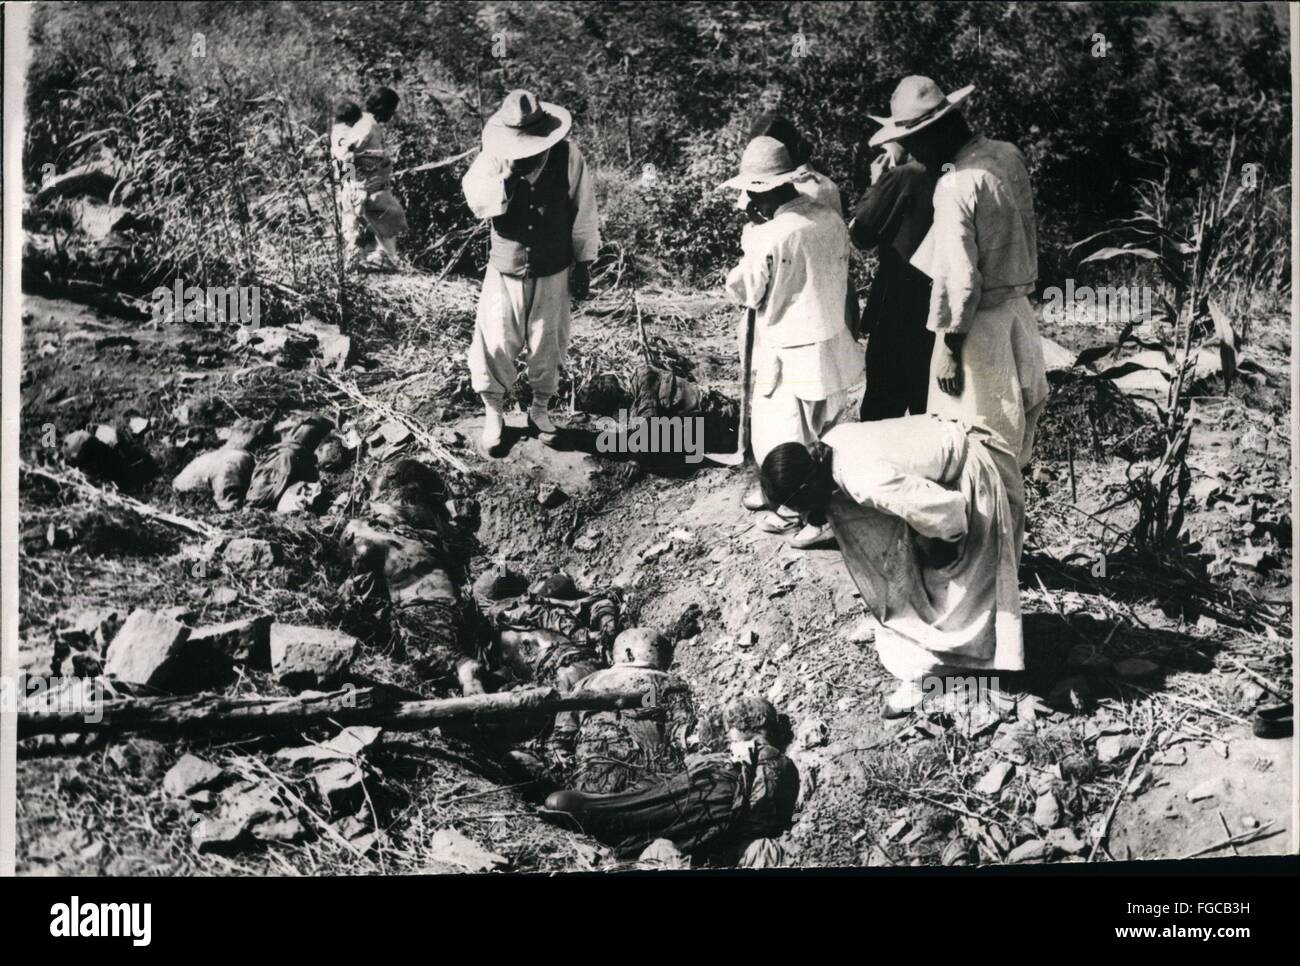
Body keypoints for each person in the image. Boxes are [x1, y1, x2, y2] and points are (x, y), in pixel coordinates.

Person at [870, 76, 1047, 553]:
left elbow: (960, 279)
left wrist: (948, 347)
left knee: (977, 448)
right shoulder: (1005, 155)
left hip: (980, 329)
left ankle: (989, 557)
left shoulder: (954, 185)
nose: (911, 154)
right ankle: (1005, 550)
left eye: (910, 143)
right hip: (1017, 315)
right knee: (1010, 447)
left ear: (930, 134)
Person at [760, 414, 1025, 717]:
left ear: (808, 488)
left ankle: (949, 674)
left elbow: (948, 512)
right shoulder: (831, 443)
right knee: (920, 581)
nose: (804, 517)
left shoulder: (865, 479)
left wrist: (939, 554)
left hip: (976, 480)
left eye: (801, 507)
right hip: (951, 464)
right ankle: (942, 652)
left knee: (959, 601)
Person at [721, 136, 863, 549]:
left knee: (783, 439)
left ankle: (806, 513)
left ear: (760, 194)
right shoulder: (829, 218)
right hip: (829, 343)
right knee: (825, 433)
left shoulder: (770, 235)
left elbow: (747, 291)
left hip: (787, 349)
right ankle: (807, 509)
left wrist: (749, 244)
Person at [462, 89, 601, 457]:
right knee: (495, 340)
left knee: (548, 340)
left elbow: (583, 211)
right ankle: (494, 413)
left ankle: (540, 410)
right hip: (505, 266)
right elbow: (475, 198)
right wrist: (506, 179)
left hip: (553, 266)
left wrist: (584, 263)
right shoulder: (494, 158)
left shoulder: (568, 157)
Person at [544, 695, 798, 867]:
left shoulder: (771, 760)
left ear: (750, 725)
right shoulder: (760, 759)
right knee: (636, 812)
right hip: (707, 800)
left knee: (628, 813)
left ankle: (587, 816)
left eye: (734, 725)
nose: (729, 732)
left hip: (715, 800)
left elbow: (758, 810)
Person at [849, 140, 936, 420]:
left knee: (883, 407)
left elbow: (862, 233)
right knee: (929, 402)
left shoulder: (902, 176)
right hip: (939, 301)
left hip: (898, 300)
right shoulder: (949, 170)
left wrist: (878, 182)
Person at [549, 627, 695, 793]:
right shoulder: (666, 681)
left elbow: (560, 739)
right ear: (629, 653)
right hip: (653, 779)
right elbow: (682, 729)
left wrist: (568, 769)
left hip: (591, 782)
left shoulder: (586, 683)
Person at [335, 88, 409, 271]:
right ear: (383, 108)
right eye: (391, 110)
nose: (392, 115)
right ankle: (374, 261)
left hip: (370, 185)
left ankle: (376, 260)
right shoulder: (367, 125)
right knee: (386, 216)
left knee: (383, 219)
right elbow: (345, 154)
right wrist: (349, 185)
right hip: (363, 186)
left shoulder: (368, 123)